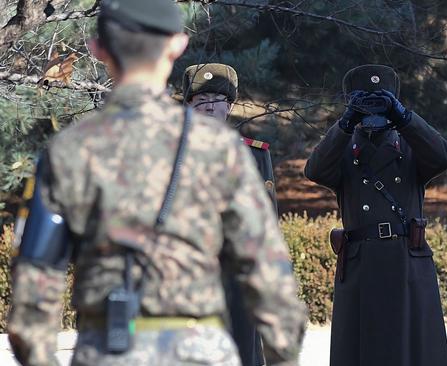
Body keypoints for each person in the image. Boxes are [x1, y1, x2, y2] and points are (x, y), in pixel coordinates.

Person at [7, 1, 306, 365]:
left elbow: (34, 283)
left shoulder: (68, 150)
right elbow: (269, 275)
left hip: (106, 349)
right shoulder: (219, 149)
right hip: (201, 351)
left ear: (97, 49)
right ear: (177, 46)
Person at [304, 64, 447, 366]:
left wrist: (404, 117)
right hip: (362, 265)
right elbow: (314, 170)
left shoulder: (411, 149)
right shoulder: (345, 151)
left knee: (409, 352)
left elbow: (443, 157)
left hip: (405, 263)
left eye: (380, 101)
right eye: (365, 102)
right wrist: (346, 123)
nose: (373, 112)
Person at [181, 63, 276, 366]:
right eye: (201, 99)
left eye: (217, 99)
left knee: (242, 350)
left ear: (230, 105)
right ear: (189, 105)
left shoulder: (255, 154)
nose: (209, 106)